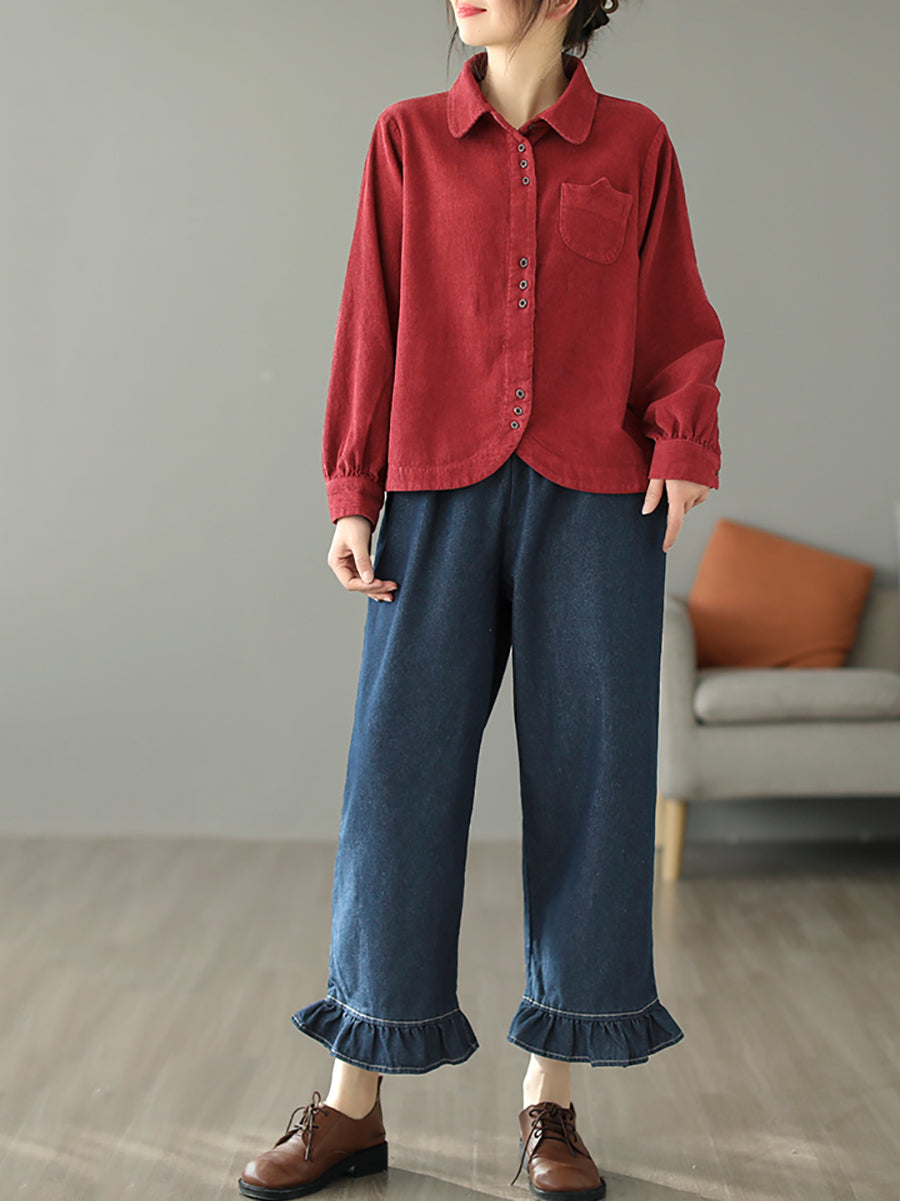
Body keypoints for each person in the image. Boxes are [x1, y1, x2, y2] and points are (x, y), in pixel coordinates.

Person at [238, 1, 724, 1197]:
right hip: (433, 492)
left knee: (593, 788)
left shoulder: (638, 145)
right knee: (395, 784)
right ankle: (352, 1104)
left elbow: (674, 316)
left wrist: (682, 440)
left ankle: (551, 1102)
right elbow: (371, 315)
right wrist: (351, 491)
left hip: (598, 504)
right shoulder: (406, 139)